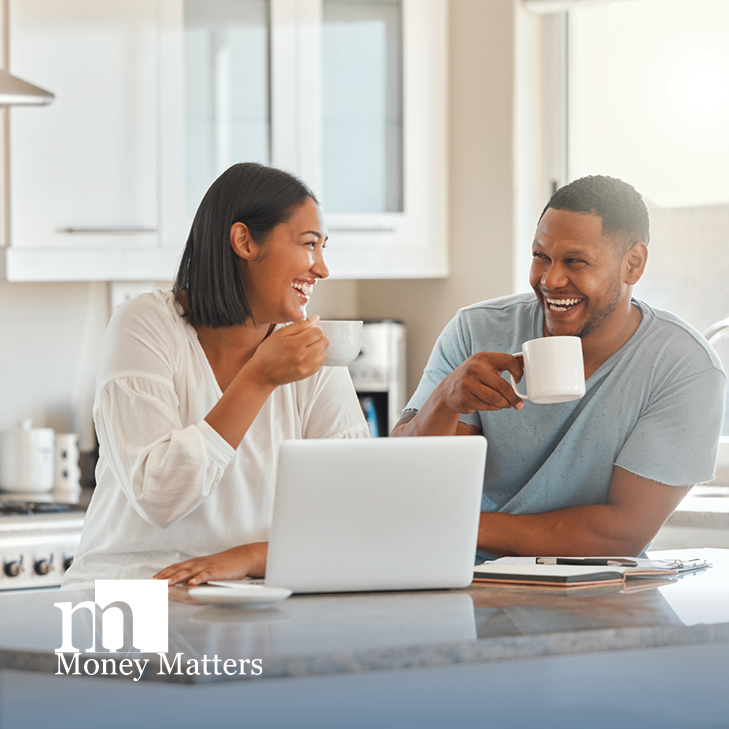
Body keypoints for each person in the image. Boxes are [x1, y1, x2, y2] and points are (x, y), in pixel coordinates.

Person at [63, 163, 369, 587]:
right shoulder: (145, 324)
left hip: (251, 591)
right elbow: (161, 496)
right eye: (309, 244)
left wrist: (248, 558)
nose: (321, 268)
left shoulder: (310, 353)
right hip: (131, 594)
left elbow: (354, 511)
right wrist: (258, 379)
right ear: (244, 240)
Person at [393, 175, 726, 560]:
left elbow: (620, 533)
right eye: (540, 257)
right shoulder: (477, 331)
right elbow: (411, 482)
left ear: (632, 264)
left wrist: (454, 523)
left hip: (599, 595)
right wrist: (445, 402)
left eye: (575, 261)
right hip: (464, 577)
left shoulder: (684, 368)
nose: (550, 280)